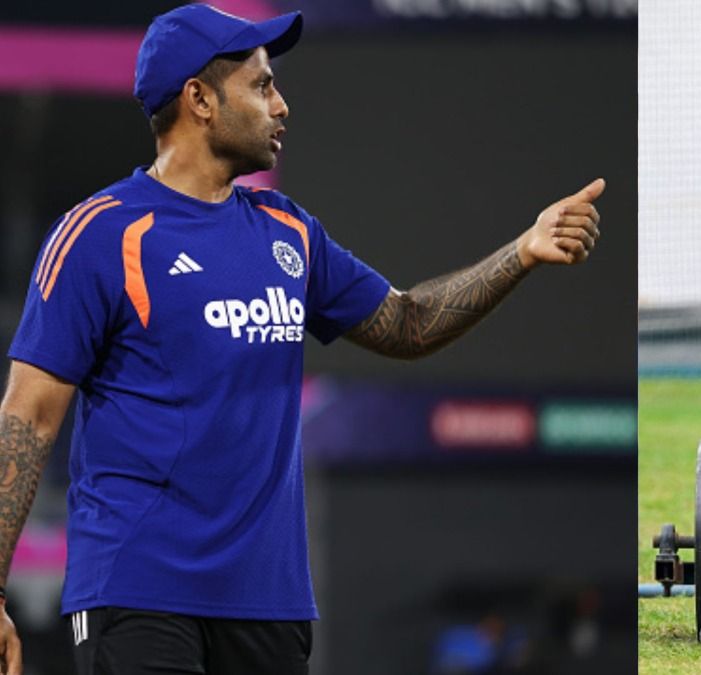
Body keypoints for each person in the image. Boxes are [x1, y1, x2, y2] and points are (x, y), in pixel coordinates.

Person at [0, 5, 603, 674]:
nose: (281, 105)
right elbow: (28, 416)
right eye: (261, 86)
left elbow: (406, 323)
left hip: (269, 601)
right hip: (139, 591)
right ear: (199, 99)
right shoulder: (98, 235)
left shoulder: (288, 231)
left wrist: (521, 251)